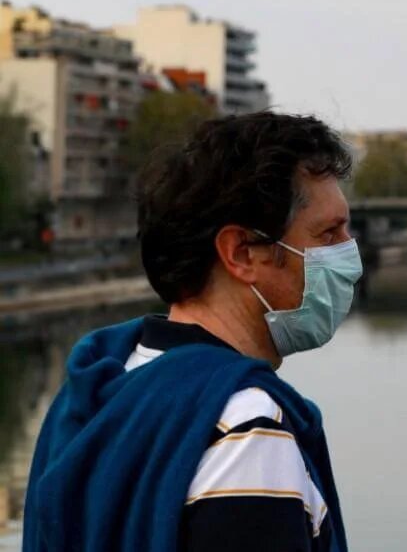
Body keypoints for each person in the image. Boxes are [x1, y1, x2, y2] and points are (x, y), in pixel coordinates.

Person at [24, 112, 359, 552]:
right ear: (240, 253)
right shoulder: (243, 426)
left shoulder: (96, 391)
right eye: (328, 233)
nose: (350, 254)